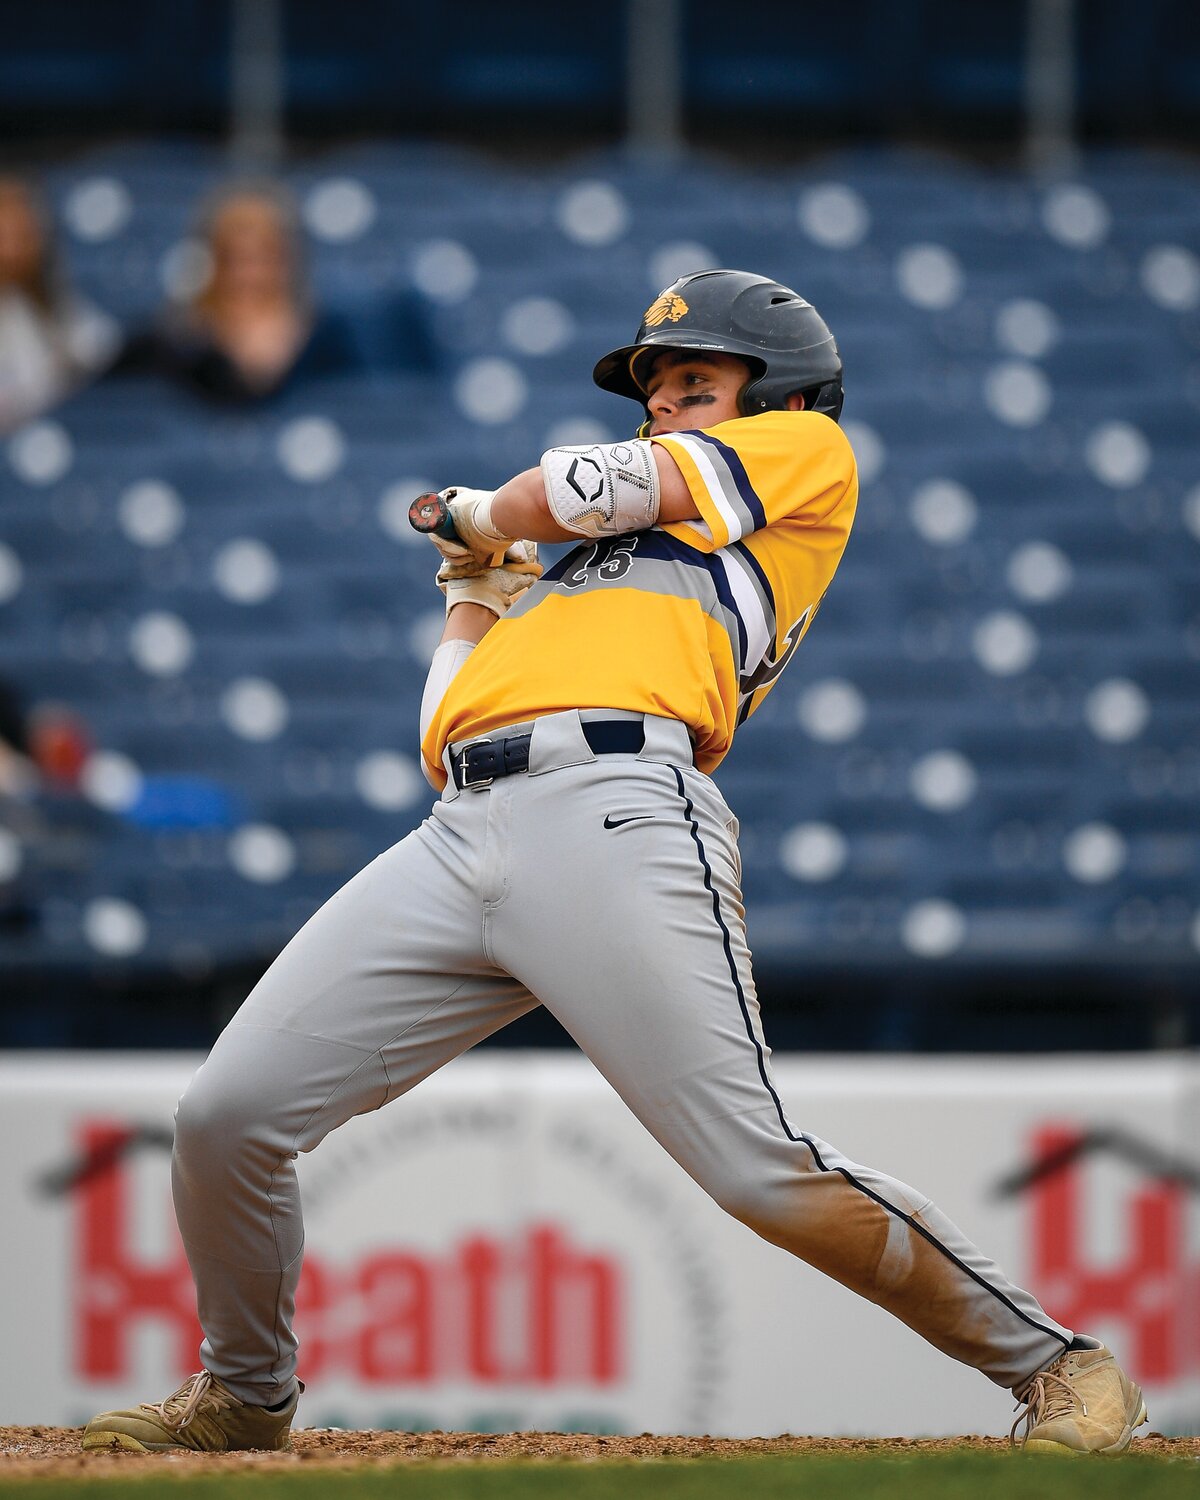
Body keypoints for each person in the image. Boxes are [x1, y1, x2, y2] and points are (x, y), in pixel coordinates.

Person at [82, 270, 1145, 1458]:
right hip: (461, 824)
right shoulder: (587, 559)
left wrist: (489, 515)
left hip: (621, 810)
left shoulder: (805, 453)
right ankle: (246, 1391)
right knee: (227, 1117)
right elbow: (445, 722)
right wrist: (475, 593)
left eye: (695, 383)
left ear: (776, 393)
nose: (664, 405)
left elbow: (587, 483)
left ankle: (1060, 1366)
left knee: (756, 1168)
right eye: (657, 390)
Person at [115, 185, 360, 402]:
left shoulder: (332, 348)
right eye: (231, 259)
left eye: (265, 259)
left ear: (289, 262)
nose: (248, 275)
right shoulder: (168, 349)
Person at [0, 176, 119, 432]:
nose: (9, 252)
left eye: (21, 236)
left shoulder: (66, 314)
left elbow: (101, 368)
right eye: (2, 236)